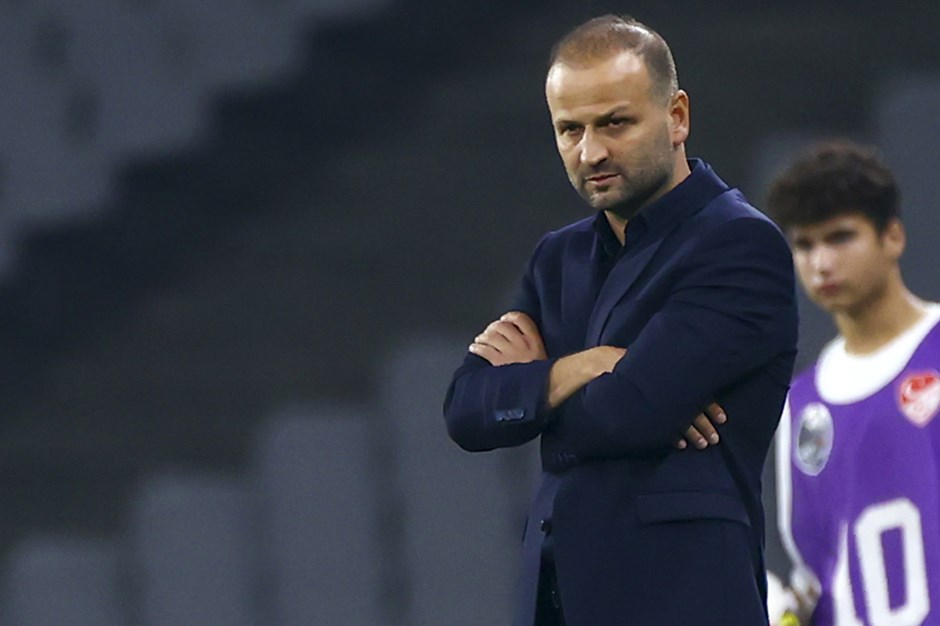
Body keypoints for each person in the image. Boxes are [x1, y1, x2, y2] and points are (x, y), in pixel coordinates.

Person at [442, 14, 798, 626]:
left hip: (682, 603)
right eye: (569, 130)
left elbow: (630, 413)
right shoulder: (557, 257)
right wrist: (583, 368)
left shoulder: (738, 244)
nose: (591, 152)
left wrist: (535, 390)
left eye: (615, 123)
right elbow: (466, 410)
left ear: (677, 116)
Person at [767, 140, 940, 626]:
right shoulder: (800, 407)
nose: (821, 262)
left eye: (840, 237)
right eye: (805, 245)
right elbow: (816, 571)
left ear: (893, 237)